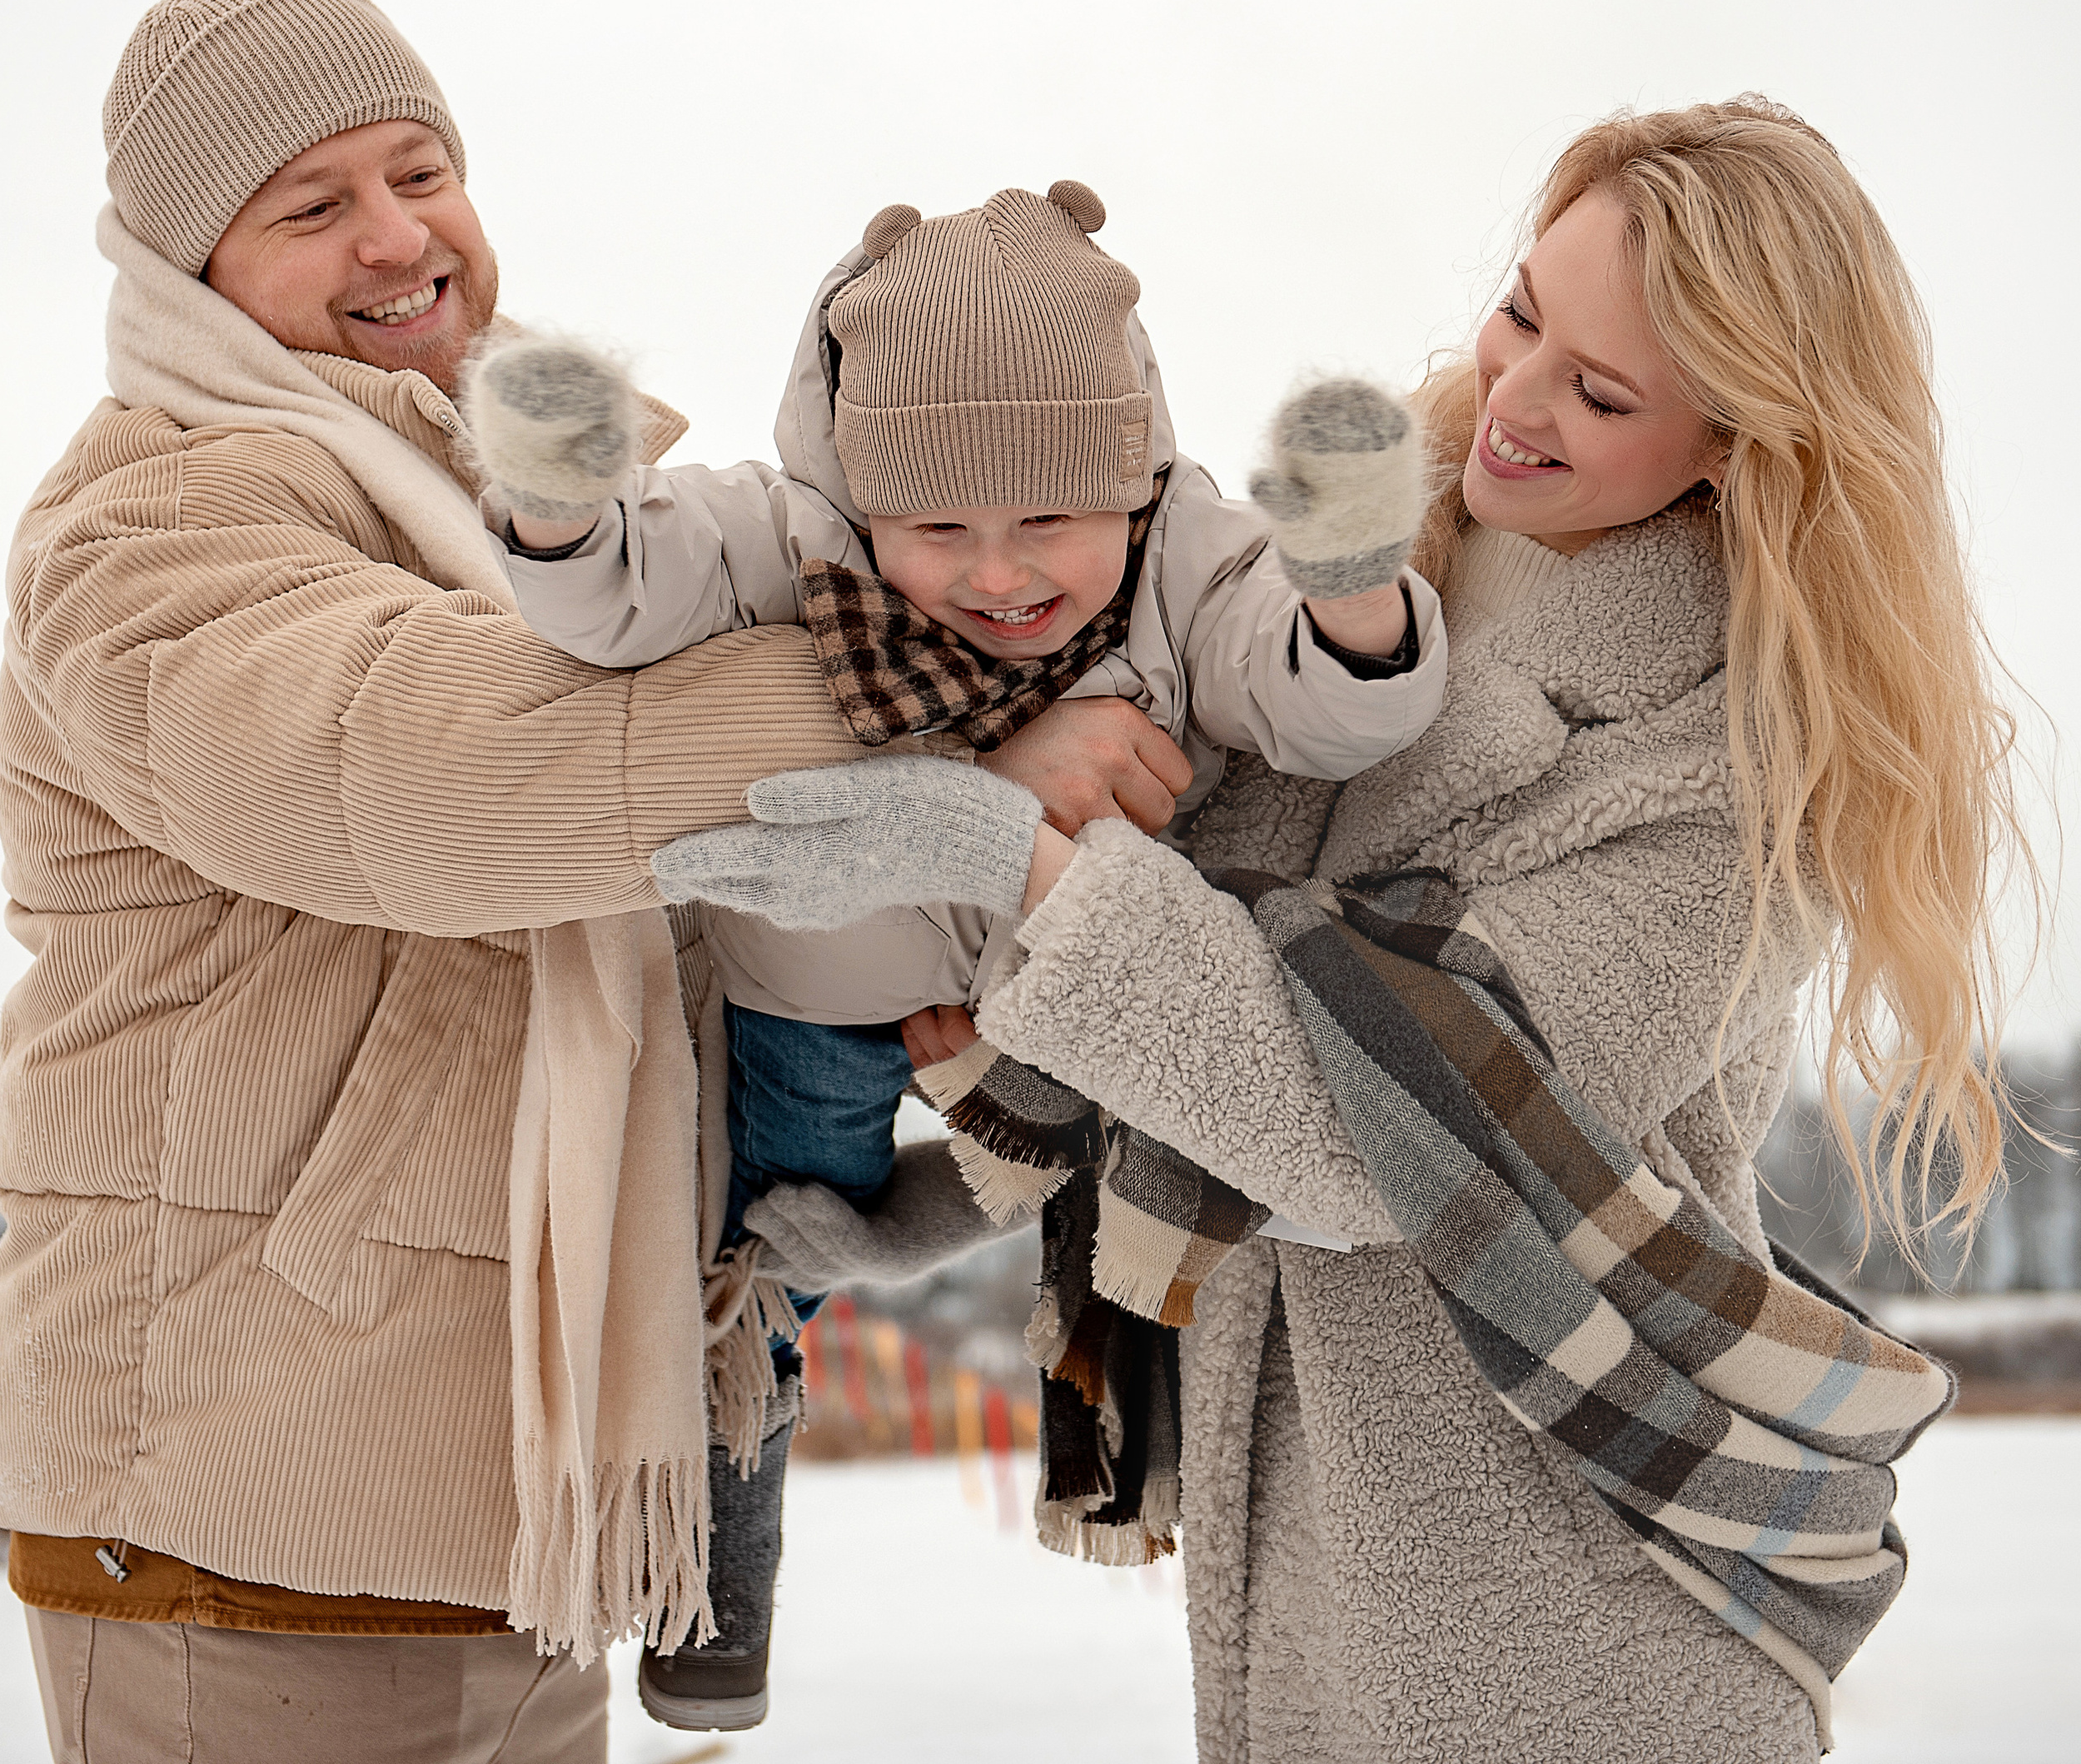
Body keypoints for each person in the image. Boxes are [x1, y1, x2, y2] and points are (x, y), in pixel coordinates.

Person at [655, 98, 2029, 1764]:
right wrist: (948, 1193)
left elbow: (1374, 1143)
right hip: (1307, 1552)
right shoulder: (1350, 600)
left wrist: (995, 843)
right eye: (1521, 313)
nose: (1513, 397)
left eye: (1600, 391)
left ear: (1737, 443)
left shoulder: (1730, 785)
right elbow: (1184, 1015)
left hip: (1570, 1597)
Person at [0, 0, 1173, 1764]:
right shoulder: (155, 515)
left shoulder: (540, 523)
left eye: (420, 169)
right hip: (240, 1514)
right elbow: (434, 777)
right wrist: (953, 705)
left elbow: (695, 915)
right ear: (187, 264)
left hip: (507, 1527)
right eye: (311, 203)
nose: (398, 233)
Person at [457, 181, 1451, 1727]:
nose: (999, 577)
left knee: (1127, 1209)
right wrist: (562, 513)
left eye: (1048, 522)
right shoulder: (791, 533)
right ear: (866, 501)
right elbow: (627, 602)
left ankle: (1182, 1510)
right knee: (758, 1267)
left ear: (1131, 479)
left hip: (1065, 1019)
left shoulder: (1188, 560)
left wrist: (1354, 586)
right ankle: (717, 1598)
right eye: (939, 533)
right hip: (816, 999)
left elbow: (1317, 703)